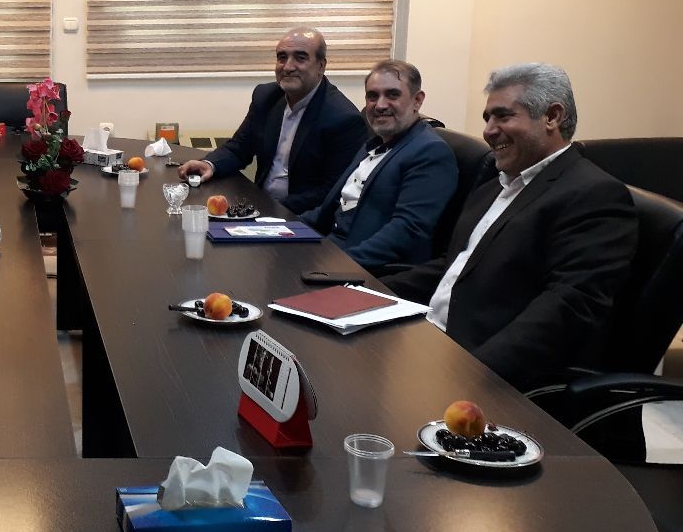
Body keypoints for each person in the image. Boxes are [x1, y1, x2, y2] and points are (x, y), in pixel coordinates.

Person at [383, 63, 637, 391]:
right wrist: (367, 292)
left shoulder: (594, 195)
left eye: (502, 116)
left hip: (483, 372)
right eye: (487, 118)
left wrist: (470, 373)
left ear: (552, 116)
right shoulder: (495, 185)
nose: (489, 131)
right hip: (429, 340)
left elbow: (568, 307)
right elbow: (455, 267)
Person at [178, 27, 367, 213]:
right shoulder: (266, 96)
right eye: (282, 57)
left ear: (321, 66)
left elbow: (331, 192)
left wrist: (268, 208)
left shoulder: (343, 119)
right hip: (260, 207)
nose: (288, 67)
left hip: (302, 218)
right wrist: (210, 164)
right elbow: (239, 147)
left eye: (300, 58)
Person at [300, 60, 457, 271]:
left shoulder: (430, 152)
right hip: (328, 246)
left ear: (417, 100)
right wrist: (279, 228)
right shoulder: (374, 143)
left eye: (392, 95)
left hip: (364, 267)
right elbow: (328, 211)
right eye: (372, 96)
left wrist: (339, 265)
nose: (380, 105)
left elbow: (407, 231)